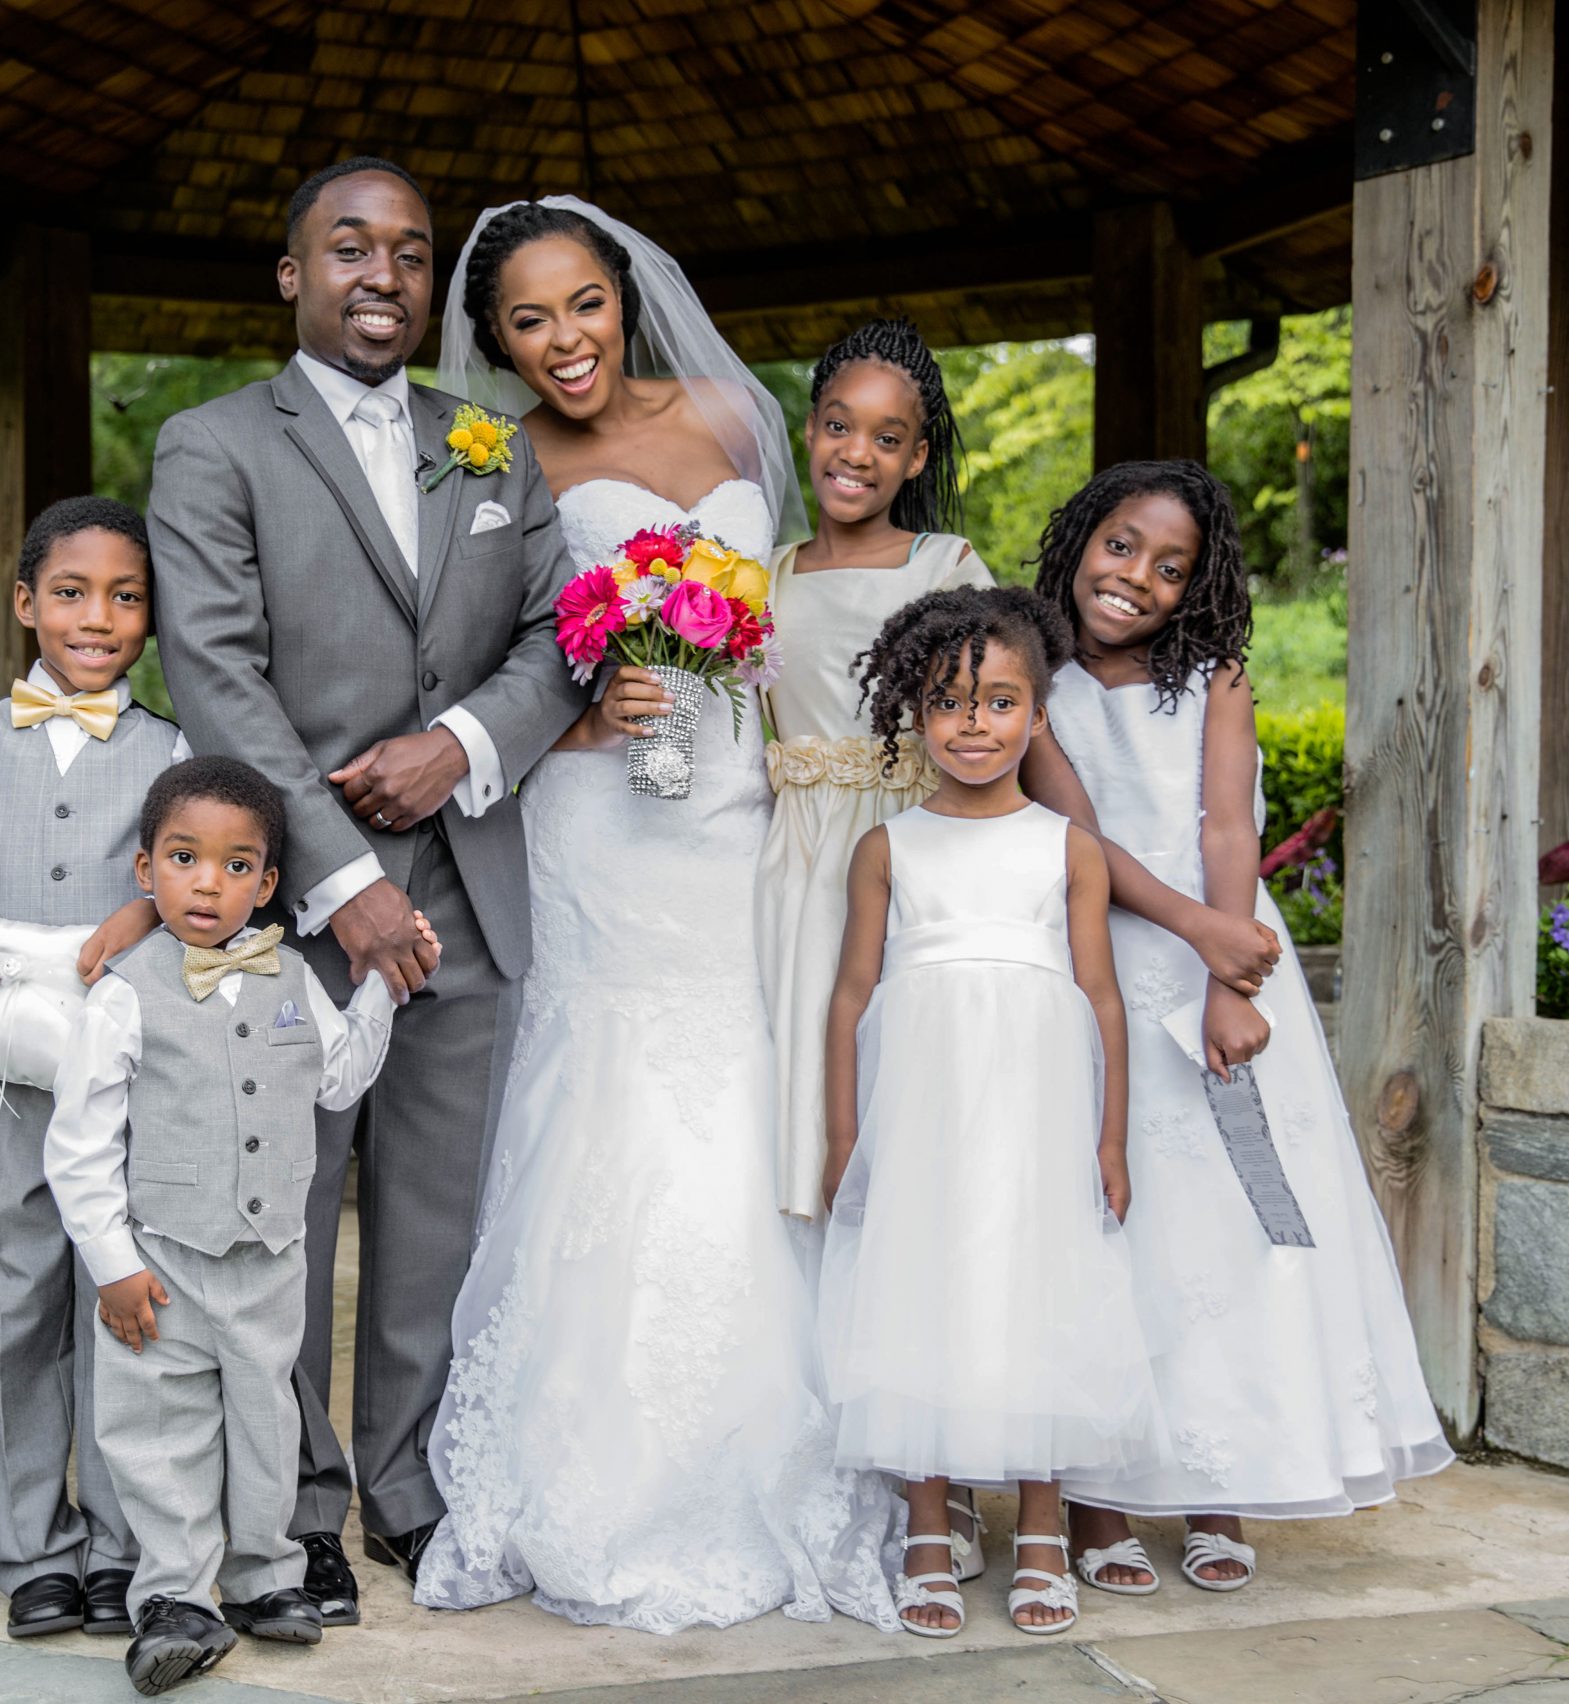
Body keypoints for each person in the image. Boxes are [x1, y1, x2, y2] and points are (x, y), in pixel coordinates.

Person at [413, 196, 902, 1635]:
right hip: (596, 823)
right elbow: (470, 649)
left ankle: (786, 1449)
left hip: (742, 816)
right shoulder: (485, 456)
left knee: (747, 1090)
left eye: (583, 305)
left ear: (627, 297)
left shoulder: (739, 419)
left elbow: (804, 611)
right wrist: (576, 716)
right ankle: (597, 1471)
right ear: (493, 339)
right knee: (611, 1099)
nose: (563, 341)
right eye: (527, 320)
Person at [146, 157, 588, 1615]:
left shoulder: (491, 446)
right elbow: (215, 668)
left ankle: (406, 1480)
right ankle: (300, 1499)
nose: (382, 275)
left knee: (436, 1218)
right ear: (293, 275)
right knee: (291, 1213)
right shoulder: (215, 446)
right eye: (349, 248)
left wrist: (456, 748)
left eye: (409, 252)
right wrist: (338, 881)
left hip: (470, 880)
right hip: (295, 909)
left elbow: (554, 640)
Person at [1024, 461, 1451, 1595]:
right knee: (1113, 1222)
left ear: (1197, 588)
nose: (1136, 579)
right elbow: (1074, 836)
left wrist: (1227, 971)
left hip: (1224, 973)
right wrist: (1194, 932)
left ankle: (1223, 1481)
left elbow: (1225, 825)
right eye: (1120, 546)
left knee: (1232, 1228)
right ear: (1080, 537)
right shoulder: (1035, 676)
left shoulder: (1210, 678)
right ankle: (1098, 1501)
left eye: (1171, 567)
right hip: (1100, 958)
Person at [816, 585, 1162, 1638]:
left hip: (1038, 1113)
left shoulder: (1067, 849)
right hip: (923, 1111)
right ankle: (928, 1522)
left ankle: (1045, 1525)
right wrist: (844, 1137)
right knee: (924, 1290)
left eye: (1000, 702)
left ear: (1038, 716)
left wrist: (1108, 1135)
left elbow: (1101, 997)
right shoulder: (888, 848)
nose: (975, 724)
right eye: (950, 701)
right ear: (915, 715)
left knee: (1038, 1288)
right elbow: (851, 996)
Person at [44, 757, 431, 1696]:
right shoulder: (125, 995)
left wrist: (379, 984)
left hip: (269, 1260)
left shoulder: (293, 974)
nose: (207, 883)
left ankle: (265, 1577)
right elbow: (80, 1144)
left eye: (234, 865)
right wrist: (111, 1265)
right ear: (147, 872)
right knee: (159, 1429)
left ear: (265, 883)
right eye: (184, 858)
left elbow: (338, 1080)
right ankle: (173, 1597)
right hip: (161, 1264)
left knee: (265, 1420)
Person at [0, 496, 188, 1640]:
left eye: (125, 596)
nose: (96, 616)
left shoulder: (177, 750)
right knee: (17, 1295)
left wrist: (140, 915)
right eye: (69, 592)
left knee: (120, 1295)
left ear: (152, 618)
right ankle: (35, 1544)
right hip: (4, 1067)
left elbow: (198, 885)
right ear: (25, 603)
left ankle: (123, 1543)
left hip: (130, 1078)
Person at [758, 317, 995, 1222]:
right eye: (838, 425)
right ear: (809, 428)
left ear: (918, 457)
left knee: (910, 1072)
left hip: (912, 850)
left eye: (887, 439)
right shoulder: (765, 578)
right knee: (813, 1074)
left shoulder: (945, 567)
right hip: (800, 862)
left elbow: (994, 718)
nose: (857, 453)